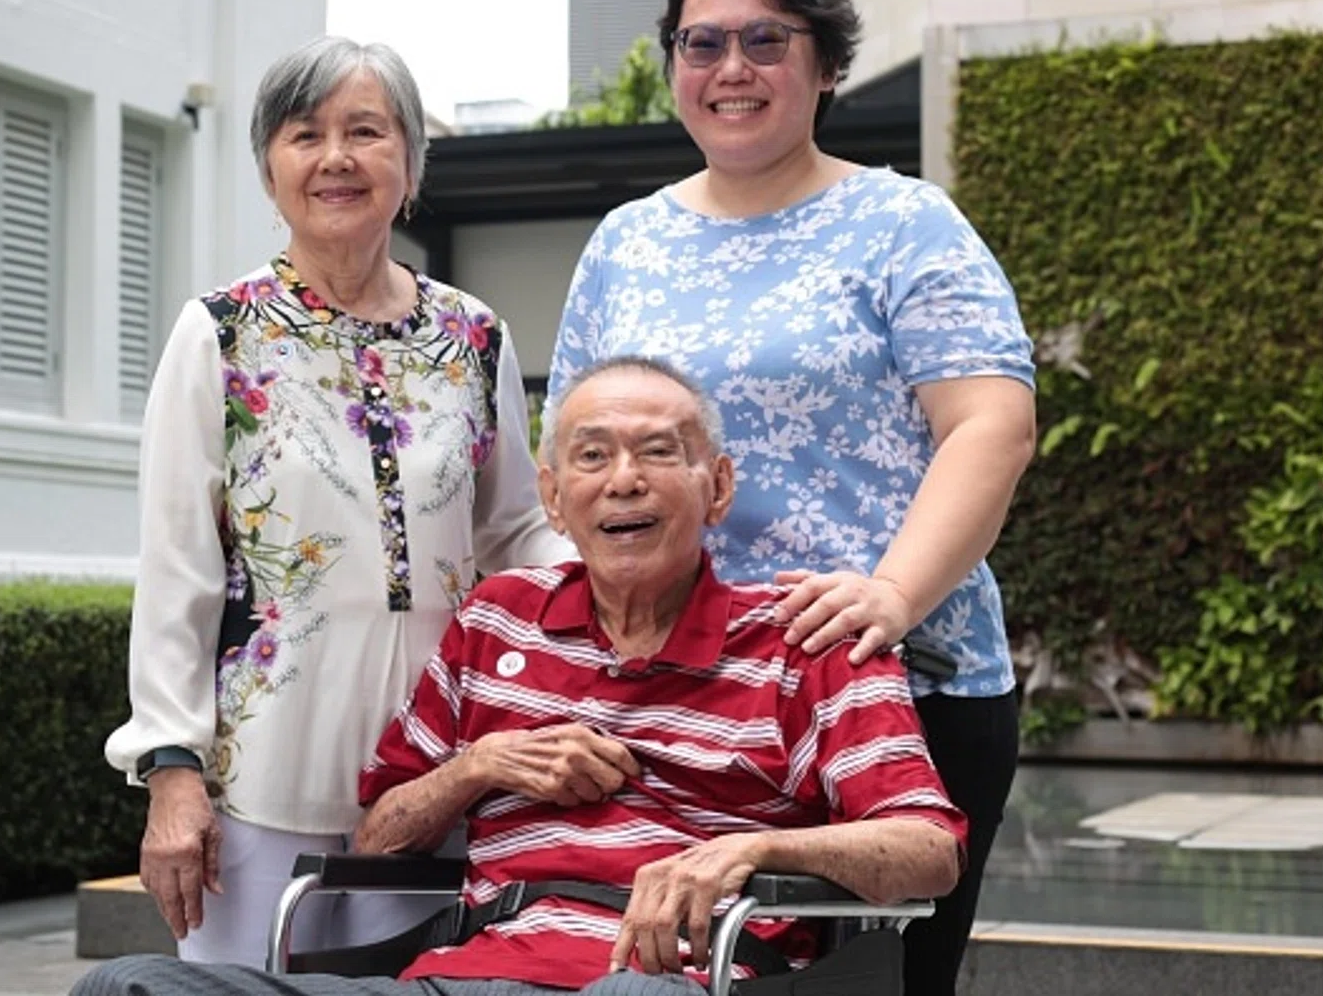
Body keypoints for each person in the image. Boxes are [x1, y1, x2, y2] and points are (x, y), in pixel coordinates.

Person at [73, 356, 965, 996]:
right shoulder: (498, 616)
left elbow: (930, 851)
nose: (624, 481)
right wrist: (480, 766)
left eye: (660, 452)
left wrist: (751, 851)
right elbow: (379, 839)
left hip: (680, 977)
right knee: (130, 987)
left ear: (718, 487)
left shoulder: (804, 638)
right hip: (472, 971)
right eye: (592, 455)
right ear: (550, 497)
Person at [546, 0, 1037, 996]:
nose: (732, 68)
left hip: (895, 688)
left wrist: (893, 596)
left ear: (824, 62)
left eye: (766, 39)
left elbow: (991, 424)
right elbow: (573, 463)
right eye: (703, 42)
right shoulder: (625, 243)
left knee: (872, 988)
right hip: (681, 703)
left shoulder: (907, 224)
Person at [101, 36, 573, 965]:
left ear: (410, 162)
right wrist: (170, 772)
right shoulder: (220, 334)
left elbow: (516, 526)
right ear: (269, 166)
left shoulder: (473, 334)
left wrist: (614, 594)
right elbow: (176, 568)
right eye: (304, 134)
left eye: (367, 131)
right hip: (264, 776)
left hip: (440, 769)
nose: (336, 158)